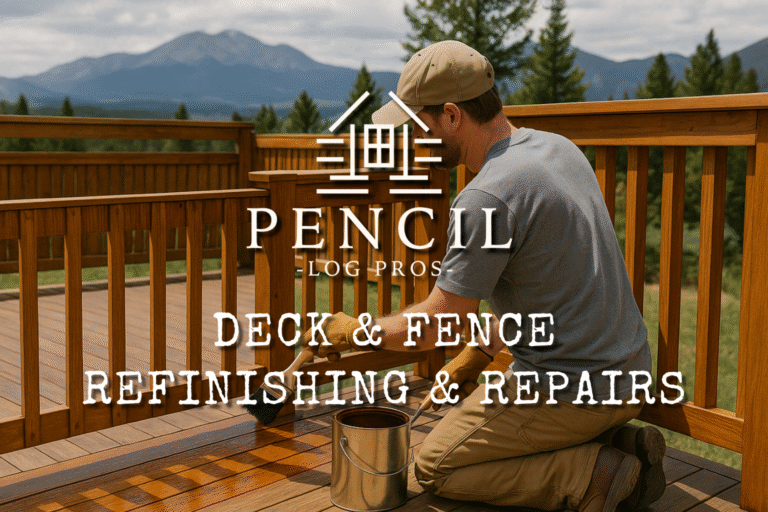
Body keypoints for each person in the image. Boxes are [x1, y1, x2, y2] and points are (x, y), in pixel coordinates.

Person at [301, 40, 665, 512]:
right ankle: (626, 445)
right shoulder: (556, 149)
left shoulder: (486, 198)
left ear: (452, 115)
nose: (410, 141)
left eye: (416, 127)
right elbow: (551, 288)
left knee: (436, 466)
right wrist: (479, 353)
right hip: (630, 374)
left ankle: (588, 473)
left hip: (573, 387)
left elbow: (437, 322)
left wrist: (354, 331)